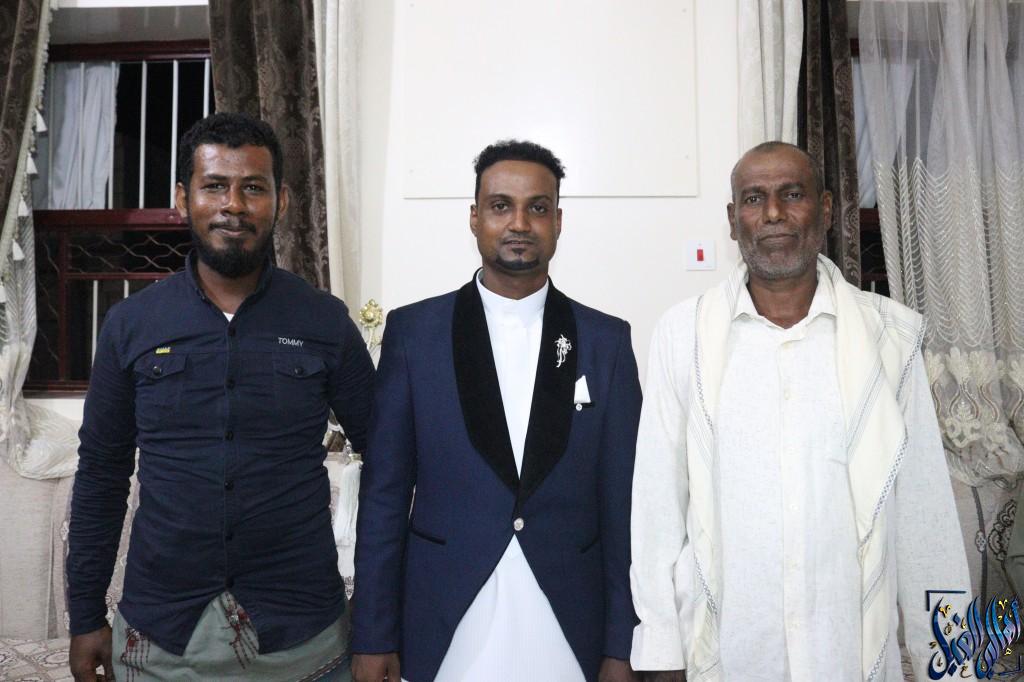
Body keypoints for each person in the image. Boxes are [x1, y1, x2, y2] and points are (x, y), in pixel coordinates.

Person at [629, 141, 971, 681]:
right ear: (732, 220)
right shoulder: (684, 336)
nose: (773, 213)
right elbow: (657, 507)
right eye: (753, 198)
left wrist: (950, 666)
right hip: (730, 654)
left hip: (847, 651)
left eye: (792, 195)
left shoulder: (890, 337)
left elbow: (924, 517)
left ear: (826, 209)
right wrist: (661, 651)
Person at [66, 112, 374, 682]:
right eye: (214, 186)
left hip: (303, 636)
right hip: (161, 636)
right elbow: (101, 476)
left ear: (281, 201)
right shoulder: (131, 325)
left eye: (253, 187)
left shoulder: (325, 322)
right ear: (183, 199)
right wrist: (84, 615)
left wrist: (377, 615)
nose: (234, 205)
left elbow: (388, 462)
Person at [350, 140, 642, 682]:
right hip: (446, 617)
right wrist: (372, 633)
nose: (519, 223)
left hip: (568, 621)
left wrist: (621, 643)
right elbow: (384, 494)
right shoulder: (415, 334)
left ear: (558, 221)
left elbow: (624, 506)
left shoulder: (606, 341)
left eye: (538, 207)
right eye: (501, 205)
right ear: (474, 217)